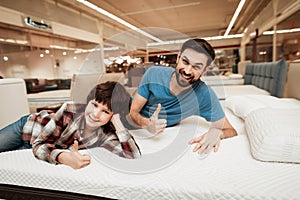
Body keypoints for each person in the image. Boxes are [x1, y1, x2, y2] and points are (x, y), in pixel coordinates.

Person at [129, 38, 237, 156]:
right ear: (178, 58)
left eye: (197, 67)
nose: (187, 71)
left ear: (205, 71)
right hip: (131, 122)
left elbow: (231, 131)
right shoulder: (154, 73)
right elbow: (133, 112)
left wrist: (217, 134)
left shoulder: (204, 95)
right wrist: (147, 124)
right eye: (185, 62)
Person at [0, 81, 141, 169]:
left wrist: (119, 124)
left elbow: (134, 157)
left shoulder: (106, 136)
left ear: (113, 116)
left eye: (105, 111)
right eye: (94, 105)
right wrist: (64, 158)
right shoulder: (70, 110)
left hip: (34, 145)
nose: (95, 114)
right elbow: (39, 144)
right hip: (28, 127)